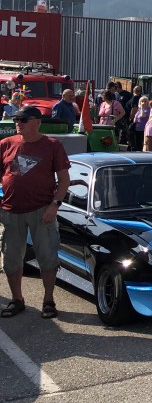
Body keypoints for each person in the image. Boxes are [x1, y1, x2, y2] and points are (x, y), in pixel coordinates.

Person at [0, 106, 71, 319]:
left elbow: (64, 179)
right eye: (16, 119)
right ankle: (17, 300)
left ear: (37, 122)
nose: (18, 123)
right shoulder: (5, 144)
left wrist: (54, 206)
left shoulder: (52, 146)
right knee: (11, 260)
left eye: (23, 119)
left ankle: (48, 301)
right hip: (11, 211)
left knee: (47, 258)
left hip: (42, 211)